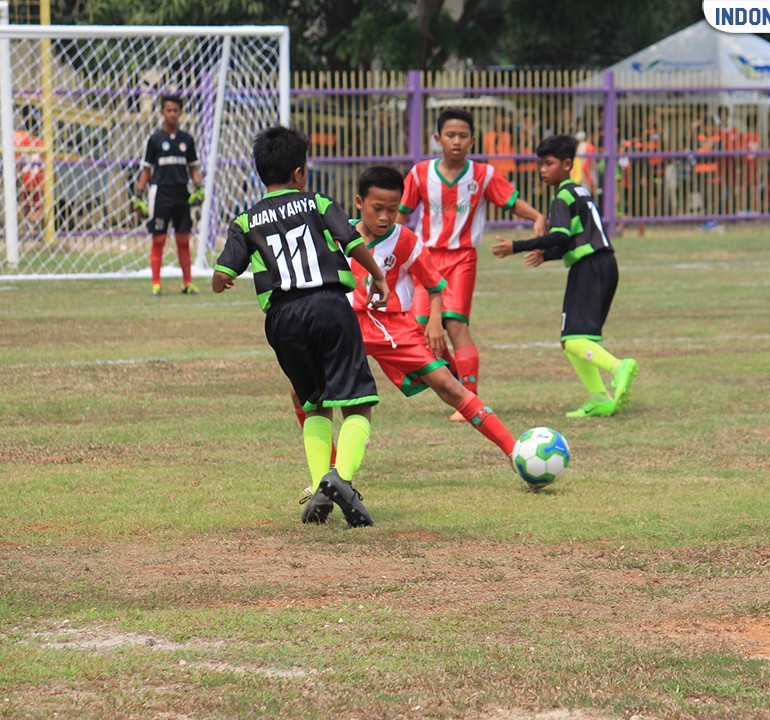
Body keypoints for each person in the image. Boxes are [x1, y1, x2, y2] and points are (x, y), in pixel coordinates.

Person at [291, 165, 523, 522]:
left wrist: (433, 321)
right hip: (342, 323)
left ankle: (514, 452)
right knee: (303, 393)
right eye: (376, 208)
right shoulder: (336, 234)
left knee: (449, 386)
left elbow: (434, 286)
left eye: (392, 209)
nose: (385, 217)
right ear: (359, 202)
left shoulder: (406, 240)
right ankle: (327, 477)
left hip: (391, 327)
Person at [212, 126, 391, 527]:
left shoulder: (245, 220)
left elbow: (223, 272)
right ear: (299, 172)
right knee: (359, 402)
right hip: (328, 306)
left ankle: (319, 488)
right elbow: (350, 241)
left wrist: (221, 280)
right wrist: (377, 275)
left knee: (312, 403)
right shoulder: (317, 202)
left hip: (281, 319)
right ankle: (340, 478)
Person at [397, 108, 545, 421]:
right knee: (415, 328)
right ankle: (452, 379)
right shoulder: (420, 173)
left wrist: (537, 217)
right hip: (426, 259)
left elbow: (509, 200)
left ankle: (470, 396)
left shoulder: (483, 175)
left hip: (462, 258)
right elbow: (401, 214)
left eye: (463, 135)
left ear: (472, 140)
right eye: (450, 135)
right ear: (438, 138)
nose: (456, 141)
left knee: (455, 325)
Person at [491, 134, 639, 418]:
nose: (543, 170)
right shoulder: (580, 192)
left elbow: (560, 235)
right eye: (541, 164)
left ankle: (618, 368)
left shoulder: (561, 197)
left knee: (572, 339)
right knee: (578, 337)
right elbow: (573, 238)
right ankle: (598, 398)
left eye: (549, 163)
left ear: (567, 164)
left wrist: (516, 246)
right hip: (605, 264)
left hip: (588, 268)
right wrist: (547, 255)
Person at [133, 94, 204, 297]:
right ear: (162, 112)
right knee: (159, 239)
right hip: (161, 194)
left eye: (175, 110)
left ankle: (187, 283)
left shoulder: (187, 140)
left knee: (183, 240)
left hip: (182, 194)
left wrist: (199, 187)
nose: (172, 114)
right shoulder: (154, 140)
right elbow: (146, 171)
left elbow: (194, 169)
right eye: (168, 110)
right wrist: (139, 194)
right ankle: (156, 284)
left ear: (180, 113)